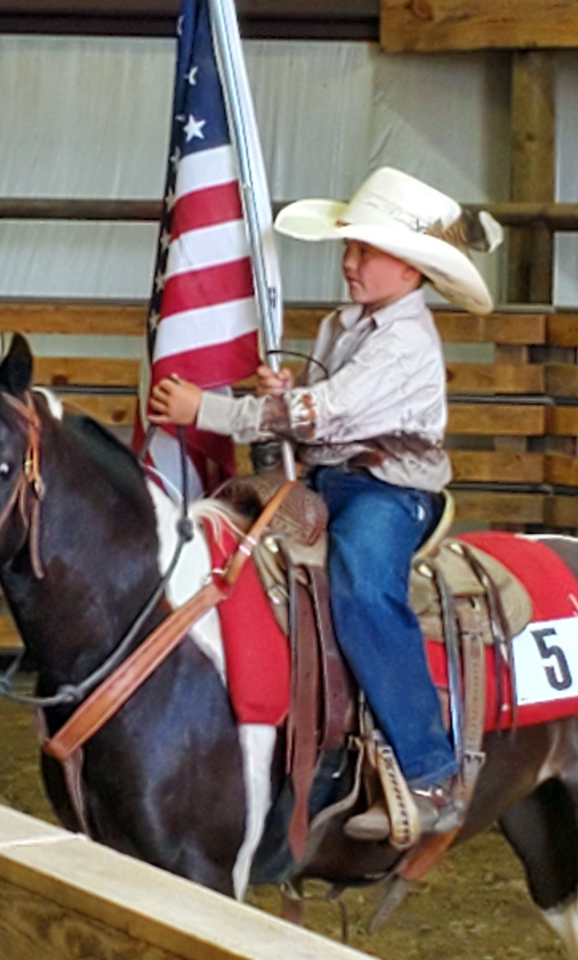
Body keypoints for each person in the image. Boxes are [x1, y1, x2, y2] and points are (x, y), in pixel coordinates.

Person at [149, 166, 502, 842]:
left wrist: (211, 410)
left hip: (390, 491)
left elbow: (323, 413)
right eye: (349, 246)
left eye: (366, 250)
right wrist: (287, 394)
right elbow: (323, 409)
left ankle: (432, 772)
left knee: (362, 588)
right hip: (328, 478)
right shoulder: (345, 324)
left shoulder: (406, 340)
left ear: (410, 270)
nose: (349, 261)